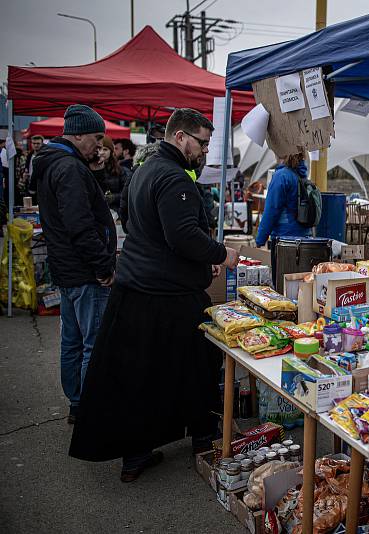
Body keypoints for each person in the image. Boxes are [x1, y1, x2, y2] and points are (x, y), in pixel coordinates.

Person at [69, 108, 238, 482]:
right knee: (194, 370)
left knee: (139, 378)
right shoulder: (174, 177)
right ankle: (203, 439)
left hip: (138, 288)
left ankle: (137, 454)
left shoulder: (145, 168)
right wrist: (219, 254)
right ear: (179, 137)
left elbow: (134, 223)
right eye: (202, 143)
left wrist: (194, 259)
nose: (205, 152)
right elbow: (183, 237)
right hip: (167, 295)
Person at [33, 104, 115, 425]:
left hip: (67, 269)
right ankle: (87, 406)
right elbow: (80, 224)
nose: (99, 144)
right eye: (96, 137)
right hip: (83, 271)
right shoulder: (67, 168)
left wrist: (91, 167)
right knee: (91, 342)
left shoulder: (57, 162)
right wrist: (102, 267)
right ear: (78, 133)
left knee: (73, 340)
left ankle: (78, 403)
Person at [254, 153, 312, 246]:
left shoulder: (281, 176)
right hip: (304, 236)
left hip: (284, 239)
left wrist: (259, 240)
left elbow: (271, 211)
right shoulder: (301, 175)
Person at [118, 142, 159, 232]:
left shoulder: (134, 173)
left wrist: (128, 229)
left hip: (136, 234)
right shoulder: (164, 174)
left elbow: (124, 205)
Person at [90, 135, 130, 214]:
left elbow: (127, 193)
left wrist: (113, 198)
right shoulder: (89, 168)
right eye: (99, 149)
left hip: (115, 213)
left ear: (111, 151)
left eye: (105, 149)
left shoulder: (120, 171)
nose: (101, 152)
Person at [24, 135, 44, 203]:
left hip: (41, 186)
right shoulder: (29, 155)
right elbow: (27, 168)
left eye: (38, 143)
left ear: (42, 144)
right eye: (34, 143)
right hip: (30, 185)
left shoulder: (45, 156)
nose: (36, 145)